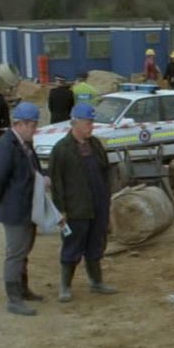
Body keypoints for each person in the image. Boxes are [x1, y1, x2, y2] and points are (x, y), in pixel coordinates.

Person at [49, 102, 117, 302]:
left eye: (92, 122)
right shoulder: (61, 149)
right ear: (75, 123)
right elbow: (56, 183)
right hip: (76, 208)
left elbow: (105, 171)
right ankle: (65, 287)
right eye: (88, 122)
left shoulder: (95, 144)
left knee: (96, 244)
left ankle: (96, 282)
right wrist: (60, 210)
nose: (91, 126)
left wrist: (106, 196)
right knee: (73, 246)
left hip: (98, 205)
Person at [0, 102, 45, 315]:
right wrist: (1, 203)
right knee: (15, 253)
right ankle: (14, 299)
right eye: (32, 126)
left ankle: (22, 289)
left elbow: (32, 168)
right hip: (15, 209)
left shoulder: (24, 144)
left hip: (27, 207)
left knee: (24, 251)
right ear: (20, 124)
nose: (35, 130)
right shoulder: (5, 147)